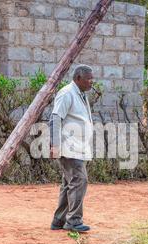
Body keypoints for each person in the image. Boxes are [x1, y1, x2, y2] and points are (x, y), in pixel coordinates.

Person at [49, 65, 94, 232]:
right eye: (88, 79)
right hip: (69, 147)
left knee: (70, 184)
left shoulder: (80, 94)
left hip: (78, 147)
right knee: (79, 181)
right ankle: (74, 221)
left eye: (92, 78)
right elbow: (55, 118)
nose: (91, 82)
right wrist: (55, 145)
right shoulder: (67, 93)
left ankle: (59, 220)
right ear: (78, 78)